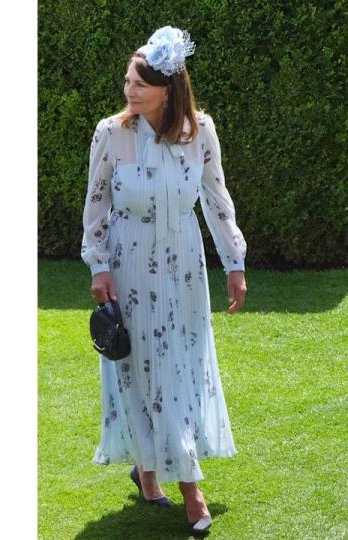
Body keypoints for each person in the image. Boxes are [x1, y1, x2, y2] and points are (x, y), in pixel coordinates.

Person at [80, 26, 247, 534]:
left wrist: (234, 263)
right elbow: (97, 206)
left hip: (184, 266)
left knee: (178, 370)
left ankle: (149, 471)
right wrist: (98, 264)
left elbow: (217, 200)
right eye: (128, 80)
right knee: (142, 370)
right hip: (129, 266)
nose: (129, 90)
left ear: (168, 89)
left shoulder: (201, 131)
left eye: (140, 83)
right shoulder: (111, 133)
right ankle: (191, 493)